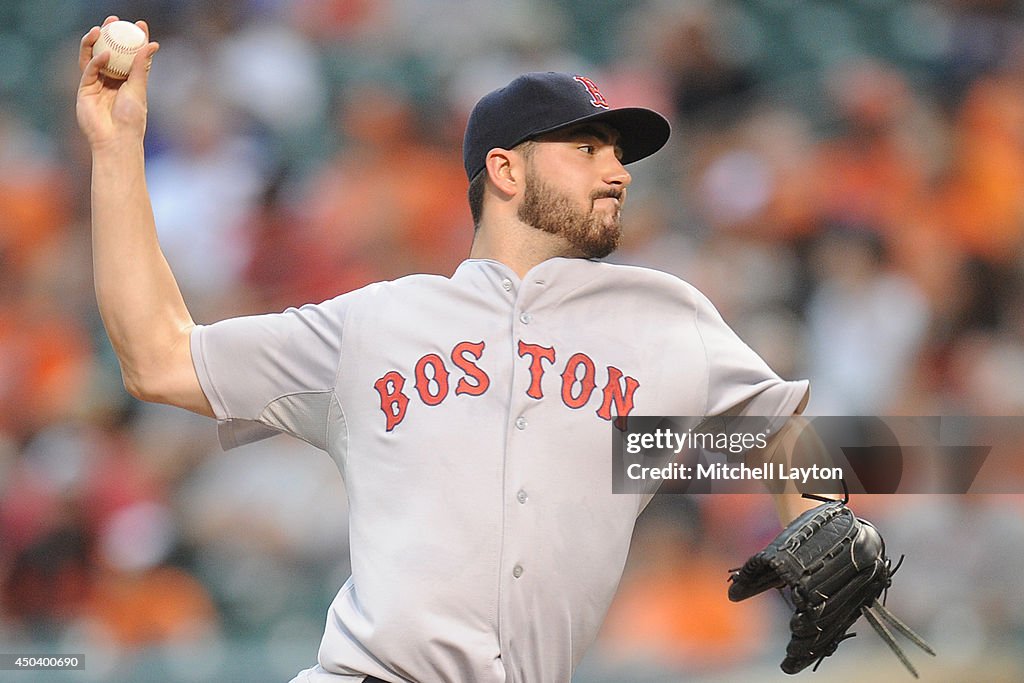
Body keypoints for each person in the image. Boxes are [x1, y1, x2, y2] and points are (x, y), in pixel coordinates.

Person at [78, 17, 816, 683]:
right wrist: (117, 147)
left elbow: (783, 428)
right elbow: (159, 358)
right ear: (504, 170)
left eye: (619, 154)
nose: (617, 172)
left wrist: (821, 516)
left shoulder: (664, 317)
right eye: (587, 148)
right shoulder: (376, 323)